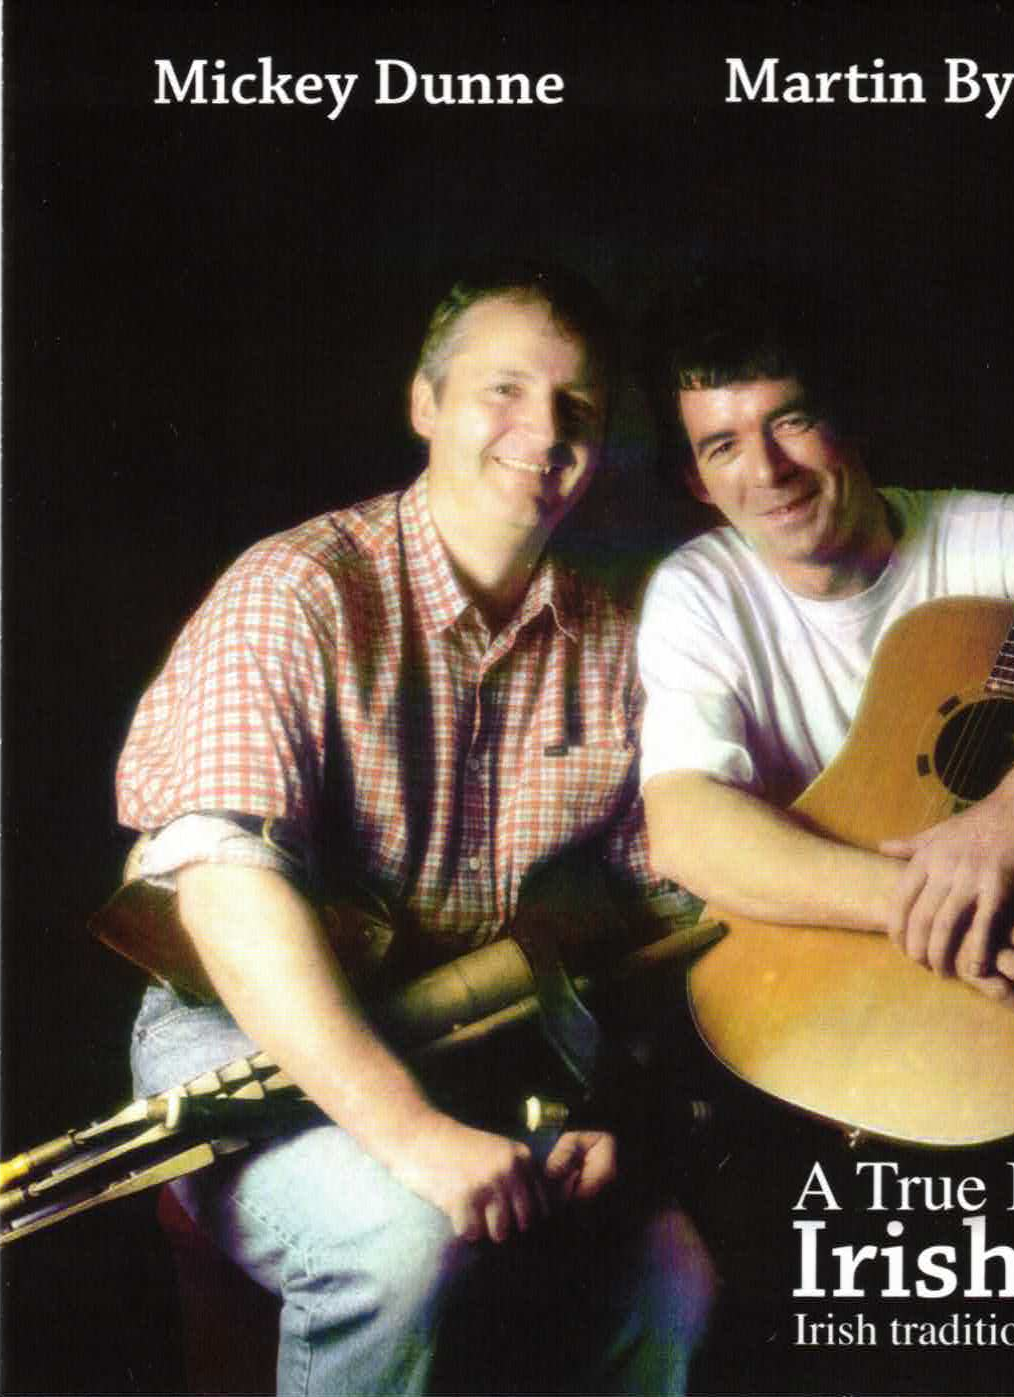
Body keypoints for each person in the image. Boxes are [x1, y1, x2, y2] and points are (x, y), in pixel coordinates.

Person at [116, 260, 714, 1396]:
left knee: (667, 1273)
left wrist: (615, 1112)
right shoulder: (295, 588)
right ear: (424, 404)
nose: (542, 431)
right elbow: (224, 886)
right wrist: (411, 1133)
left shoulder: (618, 637)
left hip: (489, 1038)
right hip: (248, 1035)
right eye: (503, 389)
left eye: (577, 406)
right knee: (396, 1238)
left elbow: (666, 897)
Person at [637, 265, 1014, 1019]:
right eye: (722, 446)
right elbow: (686, 830)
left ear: (849, 418)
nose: (768, 471)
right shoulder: (699, 592)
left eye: (791, 420)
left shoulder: (997, 532)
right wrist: (933, 900)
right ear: (697, 480)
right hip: (856, 968)